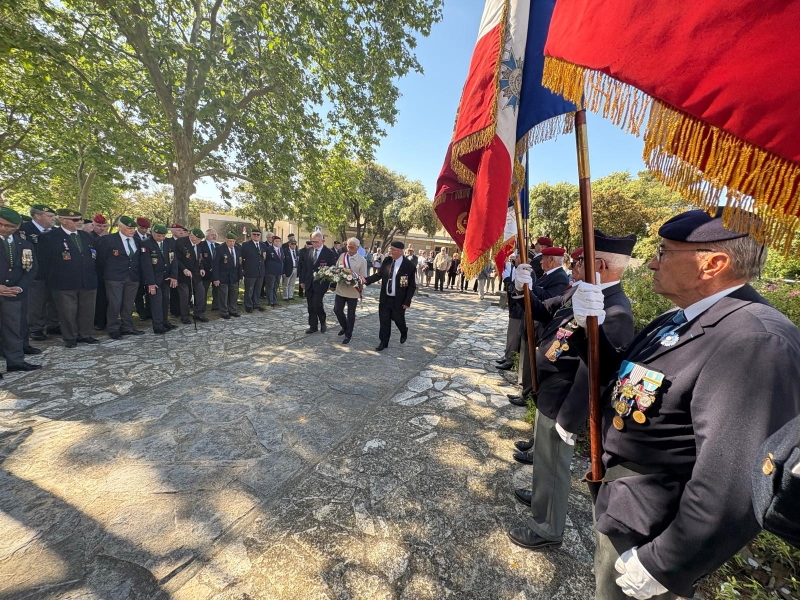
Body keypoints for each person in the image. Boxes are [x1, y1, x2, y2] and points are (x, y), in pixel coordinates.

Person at [570, 209, 800, 600]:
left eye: (664, 251)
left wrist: (667, 562)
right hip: (627, 502)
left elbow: (732, 478)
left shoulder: (754, 340)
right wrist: (585, 328)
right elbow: (623, 378)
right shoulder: (677, 319)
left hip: (657, 526)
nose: (652, 262)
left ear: (712, 263)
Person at [506, 232, 636, 552]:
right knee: (545, 463)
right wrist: (522, 284)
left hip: (566, 399)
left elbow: (598, 372)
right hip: (550, 388)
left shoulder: (615, 310)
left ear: (600, 264)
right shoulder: (580, 292)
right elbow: (542, 308)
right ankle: (540, 501)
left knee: (555, 465)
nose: (574, 265)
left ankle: (548, 527)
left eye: (580, 261)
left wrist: (570, 418)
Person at [41, 209, 100, 347]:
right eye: (75, 220)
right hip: (63, 282)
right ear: (62, 220)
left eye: (80, 219)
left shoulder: (87, 237)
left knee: (87, 310)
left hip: (88, 280)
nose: (79, 222)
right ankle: (70, 337)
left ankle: (85, 334)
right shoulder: (50, 237)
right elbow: (44, 262)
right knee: (67, 312)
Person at [0, 207, 41, 374]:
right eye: (1, 224)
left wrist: (20, 286)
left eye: (9, 226)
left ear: (17, 227)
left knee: (14, 329)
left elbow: (31, 268)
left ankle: (15, 361)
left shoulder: (24, 244)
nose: (4, 229)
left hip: (14, 293)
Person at [97, 216, 145, 339]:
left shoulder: (137, 241)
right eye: (129, 228)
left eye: (133, 228)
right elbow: (101, 259)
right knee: (115, 303)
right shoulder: (109, 240)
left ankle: (127, 327)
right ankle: (113, 328)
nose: (132, 231)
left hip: (133, 277)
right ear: (120, 227)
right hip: (114, 277)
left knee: (128, 304)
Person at [364, 240, 416, 351]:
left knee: (398, 319)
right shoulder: (387, 260)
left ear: (401, 251)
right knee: (384, 321)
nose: (390, 251)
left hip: (399, 300)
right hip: (385, 298)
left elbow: (411, 286)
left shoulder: (409, 266)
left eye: (394, 250)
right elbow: (379, 275)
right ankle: (383, 342)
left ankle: (404, 330)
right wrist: (365, 280)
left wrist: (407, 301)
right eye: (390, 249)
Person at [20, 204, 58, 342]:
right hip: (36, 273)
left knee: (54, 300)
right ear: (37, 216)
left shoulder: (55, 231)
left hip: (54, 272)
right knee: (37, 302)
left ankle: (52, 324)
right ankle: (35, 328)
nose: (53, 219)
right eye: (49, 216)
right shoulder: (24, 230)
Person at [139, 224, 179, 334]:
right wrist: (150, 283)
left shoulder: (169, 242)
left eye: (163, 236)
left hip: (167, 277)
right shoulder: (146, 243)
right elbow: (147, 265)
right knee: (156, 302)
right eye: (158, 236)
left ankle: (165, 321)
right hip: (154, 278)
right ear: (152, 232)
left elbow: (174, 260)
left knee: (165, 300)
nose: (161, 238)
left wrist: (174, 276)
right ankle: (158, 325)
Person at [299, 231, 337, 333]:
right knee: (310, 305)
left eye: (317, 242)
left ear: (322, 241)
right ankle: (313, 326)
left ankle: (323, 321)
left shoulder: (329, 253)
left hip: (321, 283)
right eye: (313, 242)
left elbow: (333, 269)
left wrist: (333, 284)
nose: (315, 244)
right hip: (309, 282)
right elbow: (305, 267)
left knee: (317, 304)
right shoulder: (309, 251)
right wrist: (302, 281)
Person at [334, 237, 368, 344]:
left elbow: (363, 277)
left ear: (357, 248)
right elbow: (336, 269)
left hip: (353, 291)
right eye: (348, 246)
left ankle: (348, 334)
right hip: (341, 289)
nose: (350, 249)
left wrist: (354, 279)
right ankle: (345, 327)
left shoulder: (362, 261)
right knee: (337, 310)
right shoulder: (342, 256)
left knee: (351, 314)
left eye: (352, 247)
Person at [175, 228, 209, 324]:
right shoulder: (181, 242)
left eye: (200, 240)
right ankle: (184, 316)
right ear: (192, 235)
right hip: (183, 273)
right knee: (185, 295)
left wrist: (201, 268)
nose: (198, 241)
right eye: (197, 239)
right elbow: (176, 259)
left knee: (201, 292)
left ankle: (199, 313)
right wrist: (184, 269)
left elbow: (200, 258)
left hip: (196, 273)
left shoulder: (200, 245)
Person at [212, 232, 242, 319]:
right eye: (229, 241)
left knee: (234, 293)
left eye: (233, 241)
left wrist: (240, 276)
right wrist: (216, 278)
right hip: (223, 276)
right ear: (226, 240)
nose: (231, 243)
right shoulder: (219, 249)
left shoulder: (237, 249)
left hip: (234, 276)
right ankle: (224, 311)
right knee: (223, 295)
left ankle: (233, 310)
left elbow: (239, 263)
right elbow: (215, 265)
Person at [91, 214, 110, 330]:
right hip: (95, 270)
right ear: (93, 225)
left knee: (106, 298)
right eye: (98, 225)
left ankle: (105, 320)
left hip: (107, 271)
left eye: (104, 226)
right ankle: (98, 321)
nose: (101, 228)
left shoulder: (109, 237)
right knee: (98, 298)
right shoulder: (89, 236)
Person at [241, 228, 265, 312]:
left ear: (260, 236)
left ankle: (256, 304)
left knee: (258, 289)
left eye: (258, 235)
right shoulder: (246, 245)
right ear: (251, 235)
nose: (256, 236)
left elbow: (263, 258)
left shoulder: (262, 245)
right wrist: (244, 270)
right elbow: (242, 258)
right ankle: (248, 305)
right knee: (249, 290)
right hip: (250, 271)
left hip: (260, 271)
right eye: (254, 234)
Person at [133, 217, 152, 321]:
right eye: (141, 228)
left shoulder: (150, 237)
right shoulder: (133, 236)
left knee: (150, 291)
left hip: (149, 268)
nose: (144, 230)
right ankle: (141, 313)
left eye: (146, 228)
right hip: (137, 269)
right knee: (139, 293)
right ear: (137, 226)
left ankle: (150, 312)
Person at [264, 235, 283, 307]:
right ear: (273, 242)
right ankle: (270, 301)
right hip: (270, 271)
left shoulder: (281, 249)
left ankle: (275, 301)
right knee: (270, 287)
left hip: (278, 271)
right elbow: (265, 260)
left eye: (279, 241)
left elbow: (281, 261)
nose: (278, 242)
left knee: (276, 287)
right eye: (276, 241)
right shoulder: (269, 249)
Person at [202, 229, 219, 311]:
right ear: (207, 236)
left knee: (217, 290)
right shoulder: (201, 245)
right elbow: (200, 259)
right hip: (205, 272)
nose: (214, 236)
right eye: (212, 235)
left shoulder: (218, 246)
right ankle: (202, 307)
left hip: (216, 273)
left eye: (215, 235)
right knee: (203, 291)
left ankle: (216, 306)